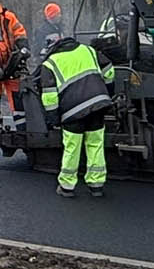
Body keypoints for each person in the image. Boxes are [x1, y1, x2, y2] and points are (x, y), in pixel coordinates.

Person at [36, 28, 118, 197]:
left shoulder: (50, 64)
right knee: (95, 143)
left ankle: (67, 186)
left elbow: (50, 98)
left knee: (72, 146)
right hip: (98, 105)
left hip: (72, 111)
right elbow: (109, 70)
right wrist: (107, 92)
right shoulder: (87, 49)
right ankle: (96, 185)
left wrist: (53, 120)